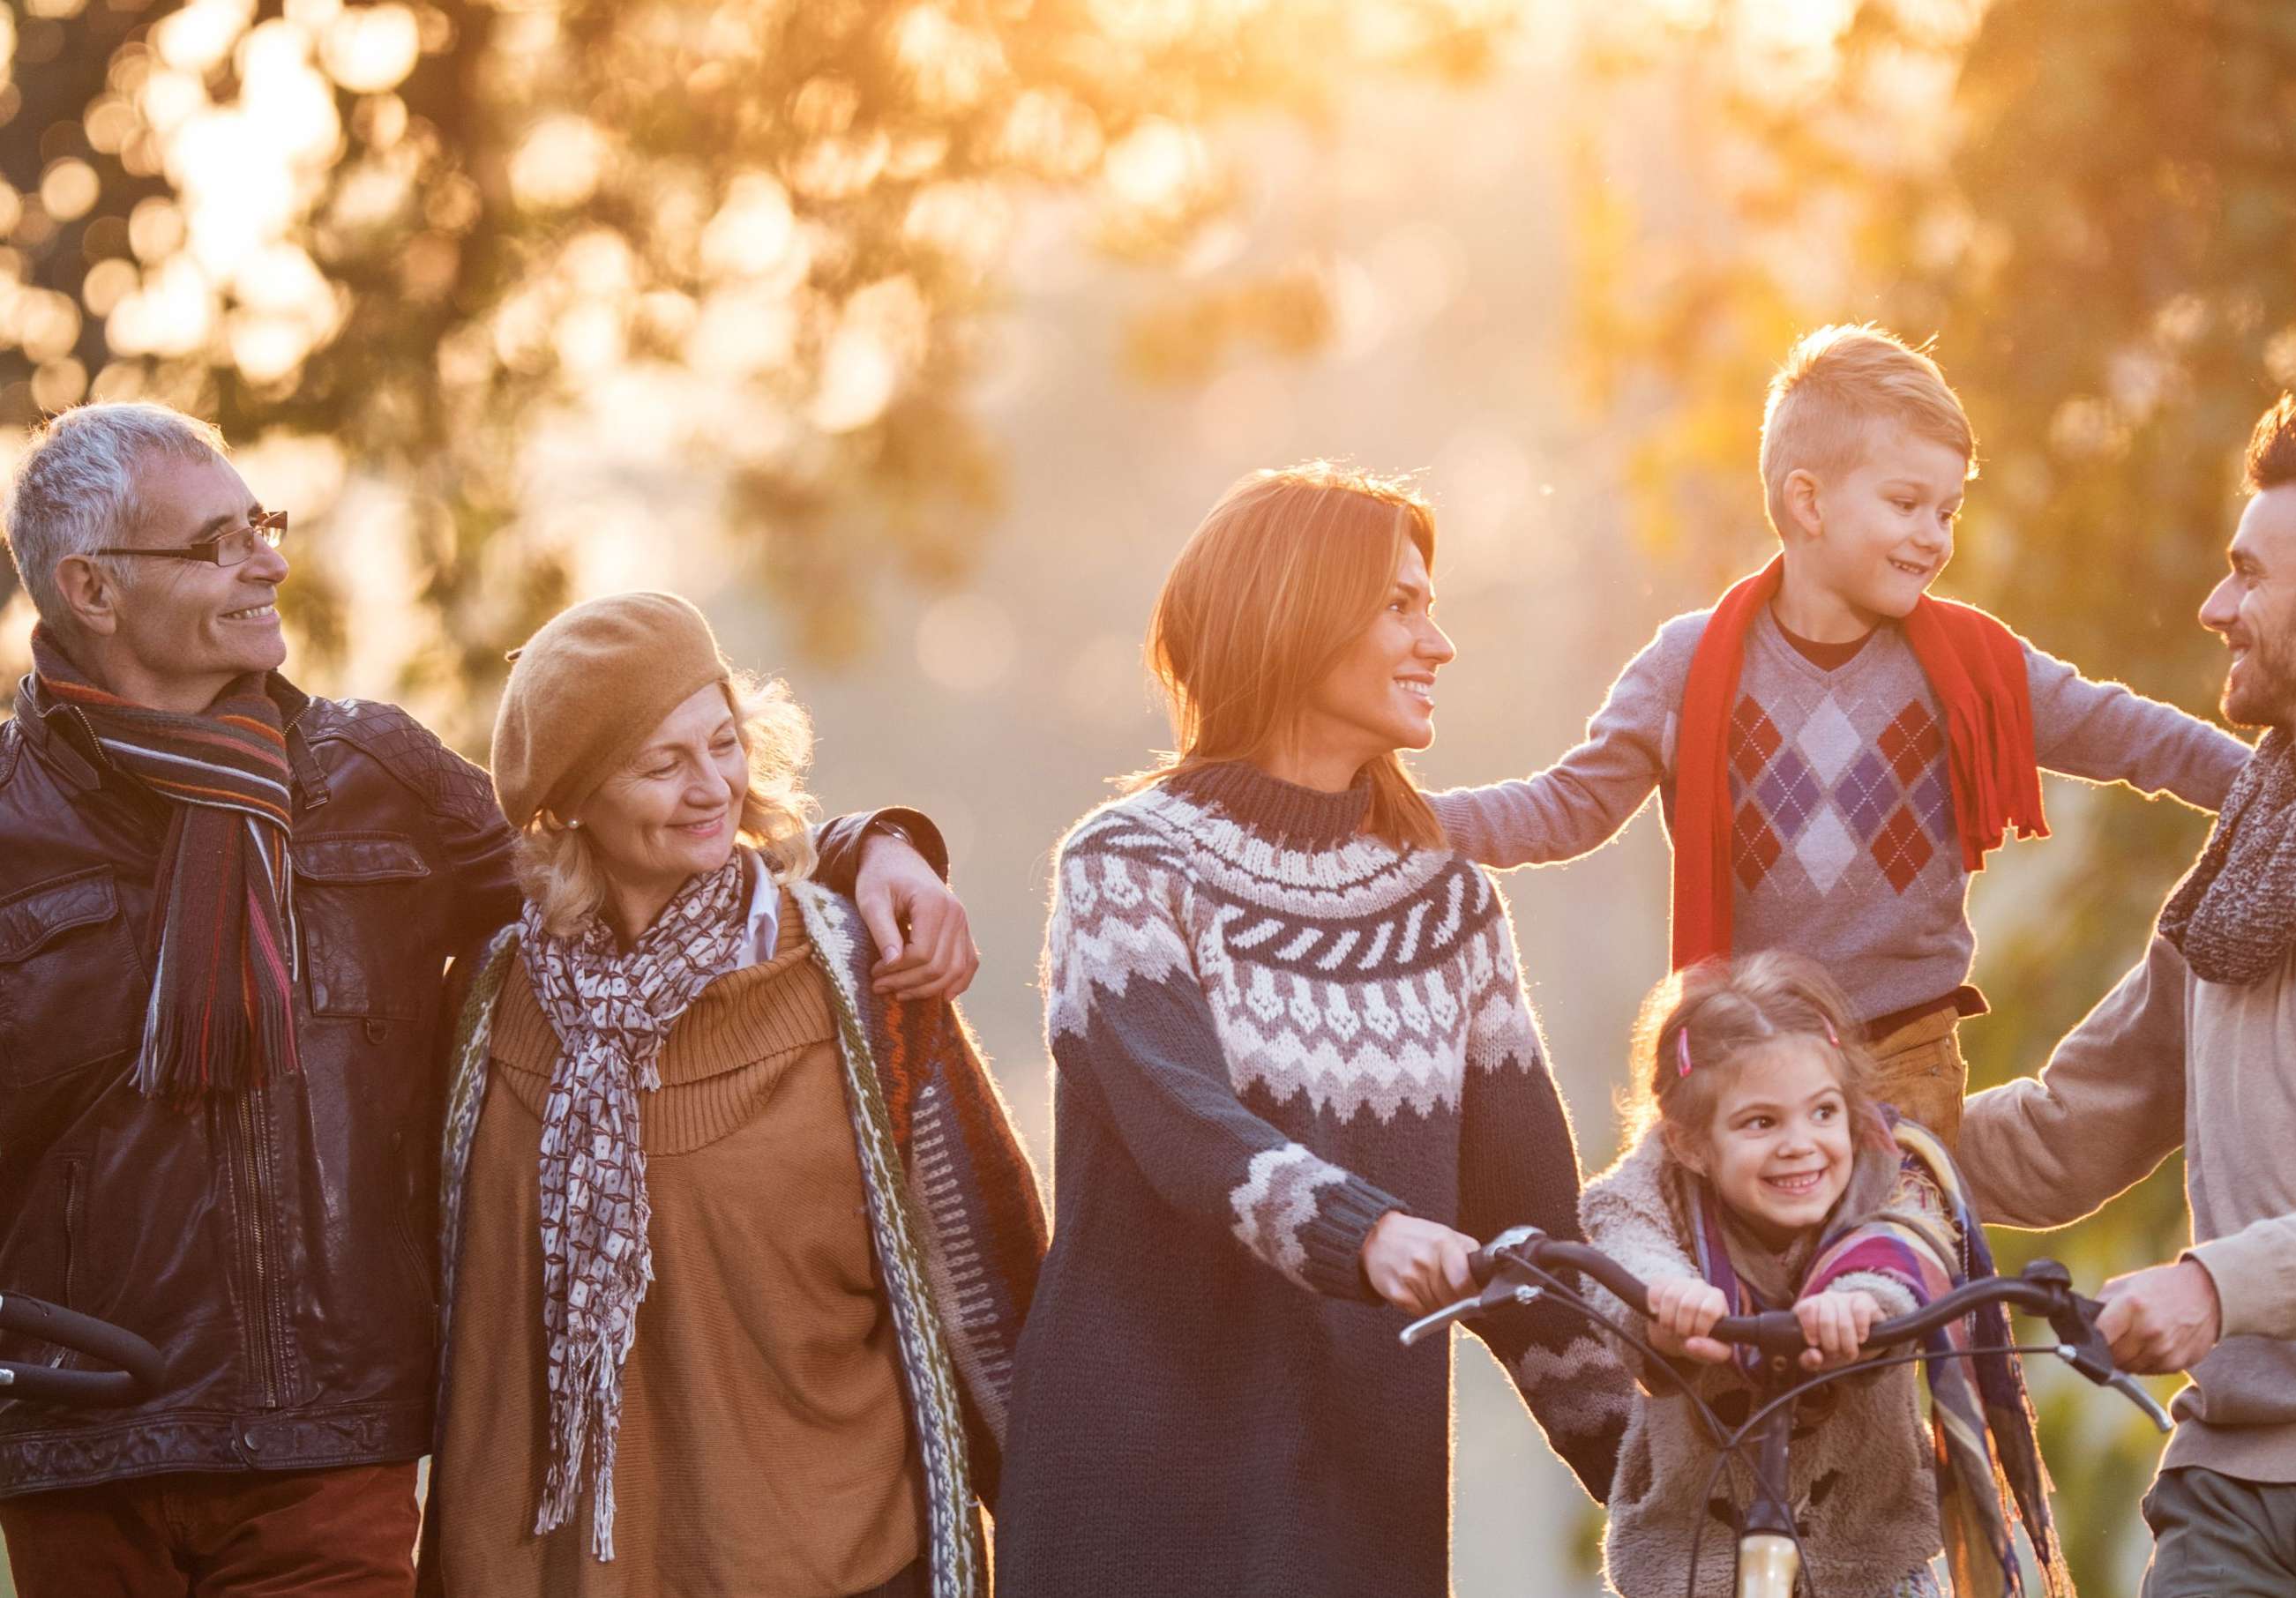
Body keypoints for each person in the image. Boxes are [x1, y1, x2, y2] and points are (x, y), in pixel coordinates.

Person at [0, 404, 976, 1598]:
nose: (271, 560)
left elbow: (614, 848)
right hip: (75, 1455)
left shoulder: (375, 780)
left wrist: (866, 847)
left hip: (326, 1454)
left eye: (263, 523)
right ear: (89, 590)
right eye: (218, 543)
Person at [995, 465, 1632, 1597]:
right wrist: (1366, 1232)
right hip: (1133, 1506)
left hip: (1357, 1511)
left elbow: (1526, 1234)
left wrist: (1676, 1476)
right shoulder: (1128, 866)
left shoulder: (1447, 905)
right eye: (1400, 605)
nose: (1437, 643)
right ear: (1293, 616)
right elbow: (1185, 1122)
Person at [1432, 325, 2249, 1145]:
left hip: (1904, 1057)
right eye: (1905, 504)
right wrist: (1407, 821)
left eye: (1947, 511)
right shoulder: (1686, 666)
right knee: (1703, 1253)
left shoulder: (1973, 667)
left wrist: (2288, 789)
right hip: (1745, 1056)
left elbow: (2142, 738)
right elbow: (1567, 807)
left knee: (1888, 1255)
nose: (1934, 535)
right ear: (1808, 501)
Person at [415, 593, 1046, 1598]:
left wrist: (1076, 1542)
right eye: (661, 765)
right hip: (544, 1575)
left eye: (723, 744)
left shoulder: (857, 975)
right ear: (572, 799)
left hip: (833, 1568)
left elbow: (994, 1296)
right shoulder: (490, 999)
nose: (710, 787)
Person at [1957, 390, 2296, 1595]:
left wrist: (2212, 1284)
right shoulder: (2249, 857)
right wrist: (1852, 1151)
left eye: (2249, 573)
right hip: (2230, 1484)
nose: (2216, 607)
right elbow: (2073, 1131)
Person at [1582, 952, 2063, 1598]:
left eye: (1823, 1112)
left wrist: (1860, 1301)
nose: (1801, 1143)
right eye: (1761, 1122)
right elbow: (1623, 1240)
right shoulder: (1656, 1186)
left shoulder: (1890, 1171)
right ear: (1691, 1144)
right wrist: (1662, 1298)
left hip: (1870, 1551)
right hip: (1695, 1559)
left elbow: (1906, 1241)